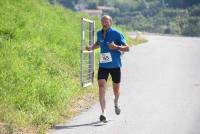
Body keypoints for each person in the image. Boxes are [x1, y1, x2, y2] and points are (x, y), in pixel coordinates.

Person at [86, 15, 129, 122]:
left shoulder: (116, 33)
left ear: (110, 22)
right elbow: (98, 43)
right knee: (101, 87)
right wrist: (91, 47)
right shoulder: (99, 33)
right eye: (102, 21)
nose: (104, 23)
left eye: (106, 21)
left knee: (116, 90)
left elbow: (127, 48)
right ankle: (104, 113)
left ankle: (116, 103)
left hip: (115, 66)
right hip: (103, 65)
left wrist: (117, 47)